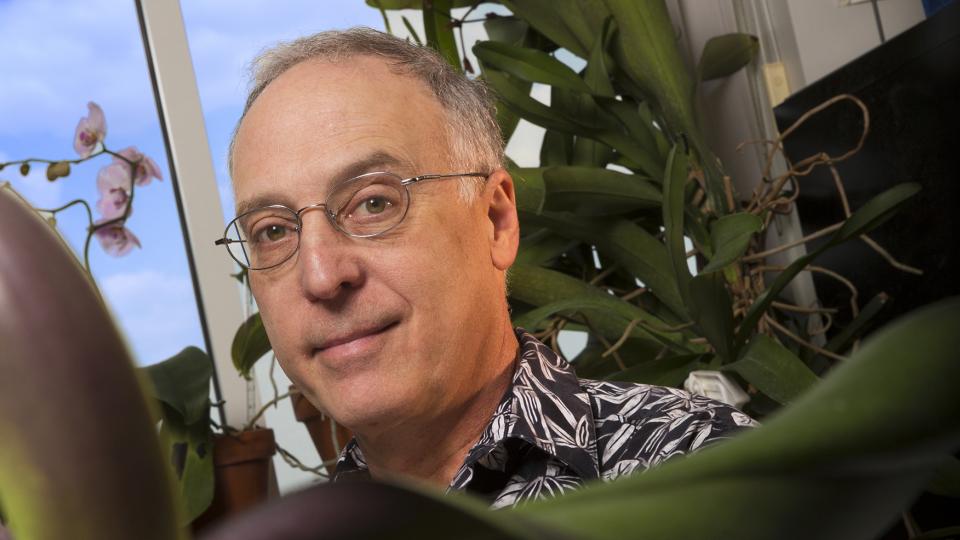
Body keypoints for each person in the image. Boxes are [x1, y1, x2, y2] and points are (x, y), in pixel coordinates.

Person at [220, 27, 755, 509]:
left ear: (495, 221)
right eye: (273, 231)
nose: (320, 276)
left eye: (374, 203)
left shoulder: (701, 476)